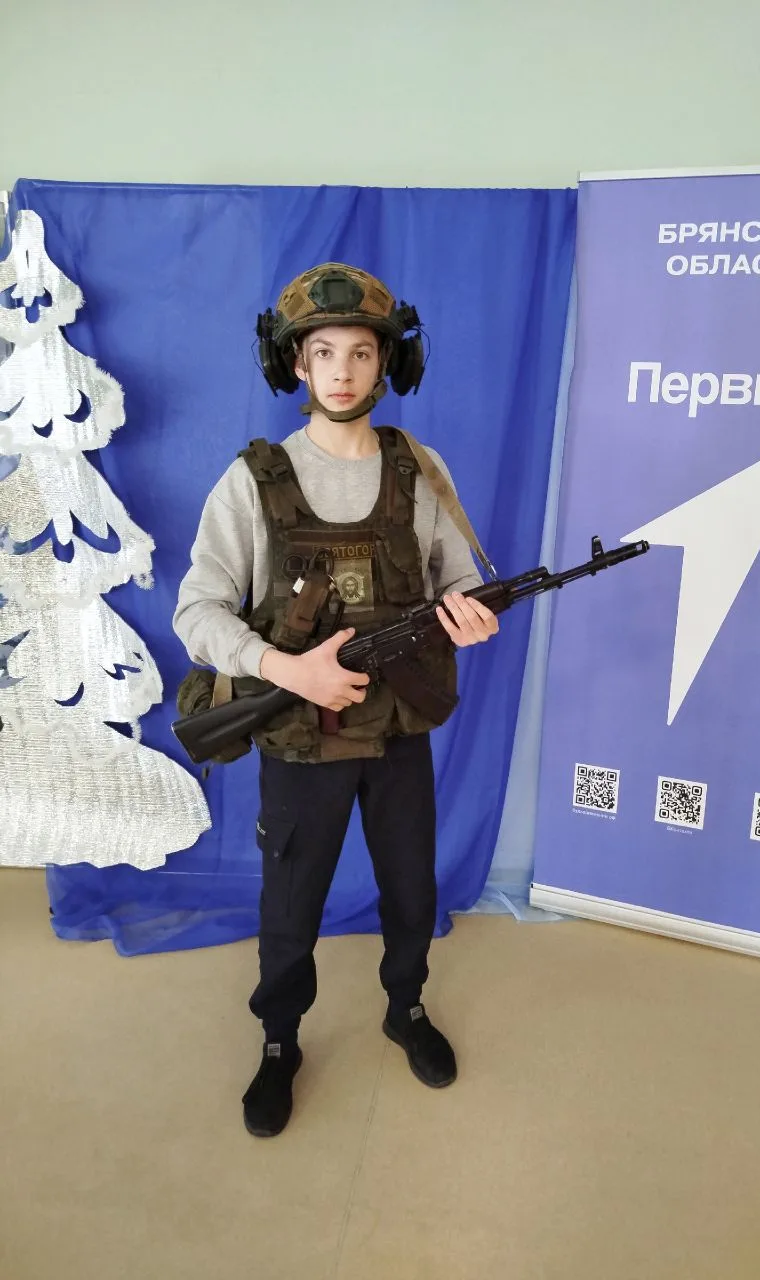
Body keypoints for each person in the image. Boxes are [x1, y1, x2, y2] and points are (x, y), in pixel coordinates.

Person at [173, 263, 498, 1137]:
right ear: (296, 365)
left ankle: (406, 1008)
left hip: (398, 733)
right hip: (299, 737)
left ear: (388, 362)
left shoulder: (420, 469)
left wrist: (469, 614)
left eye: (361, 351)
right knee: (291, 904)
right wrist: (289, 672)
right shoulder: (255, 480)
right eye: (323, 353)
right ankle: (280, 1041)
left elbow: (458, 579)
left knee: (411, 890)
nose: (343, 371)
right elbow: (197, 612)